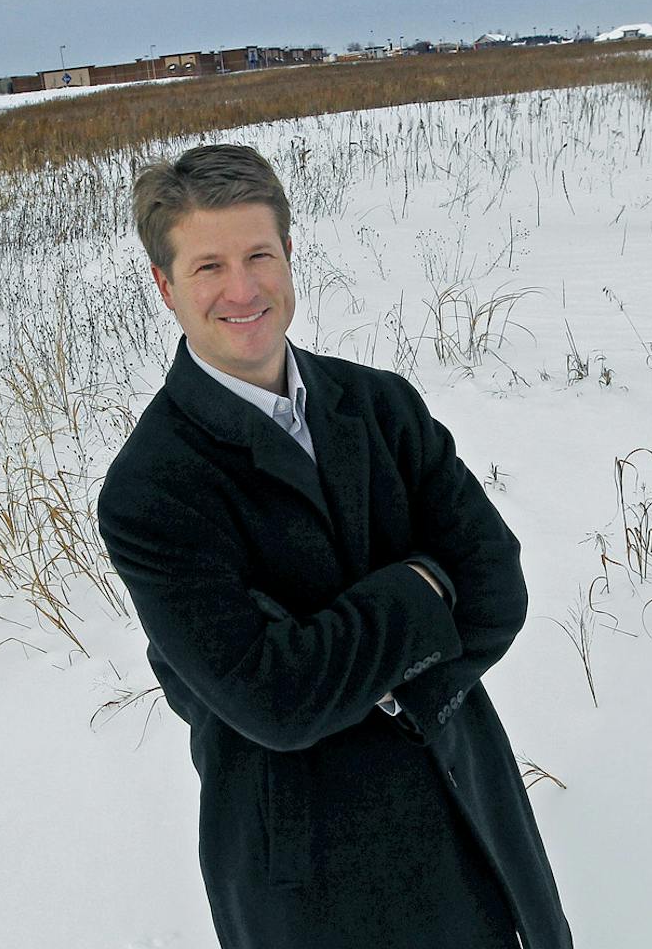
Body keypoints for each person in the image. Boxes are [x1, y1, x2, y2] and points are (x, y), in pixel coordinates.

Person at [97, 143, 572, 949]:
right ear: (165, 285)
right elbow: (275, 701)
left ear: (290, 257)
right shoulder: (152, 489)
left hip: (465, 798)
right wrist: (423, 589)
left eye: (260, 255)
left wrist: (363, 678)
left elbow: (495, 588)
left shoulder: (381, 405)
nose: (242, 290)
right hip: (312, 863)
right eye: (209, 266)